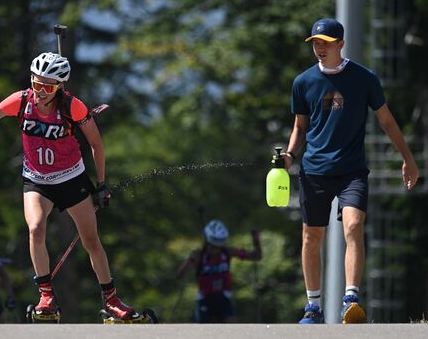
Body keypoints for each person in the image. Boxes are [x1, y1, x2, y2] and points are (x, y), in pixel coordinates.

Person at [0, 52, 136, 320]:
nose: (39, 92)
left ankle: (111, 299)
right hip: (37, 180)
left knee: (91, 241)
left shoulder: (73, 107)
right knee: (36, 228)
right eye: (36, 83)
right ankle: (46, 295)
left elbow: (96, 144)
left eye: (47, 87)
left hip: (72, 178)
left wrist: (101, 184)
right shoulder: (22, 100)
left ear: (59, 87)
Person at [284, 18, 420, 324]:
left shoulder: (364, 78)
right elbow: (299, 127)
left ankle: (351, 300)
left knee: (353, 226)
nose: (320, 48)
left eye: (326, 43)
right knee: (310, 238)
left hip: (352, 170)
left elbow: (386, 121)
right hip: (315, 170)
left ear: (340, 44)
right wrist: (290, 154)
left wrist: (408, 158)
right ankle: (313, 308)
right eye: (316, 43)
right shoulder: (303, 82)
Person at [177, 219, 262, 323]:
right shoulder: (199, 255)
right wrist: (189, 261)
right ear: (207, 242)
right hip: (205, 299)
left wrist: (256, 243)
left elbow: (256, 256)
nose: (215, 250)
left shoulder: (227, 252)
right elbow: (180, 275)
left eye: (217, 247)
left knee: (233, 325)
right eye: (212, 247)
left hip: (223, 298)